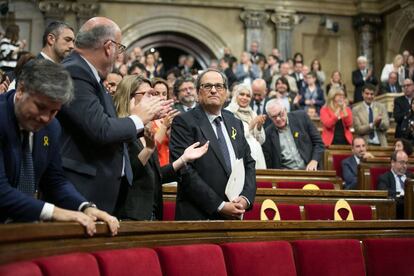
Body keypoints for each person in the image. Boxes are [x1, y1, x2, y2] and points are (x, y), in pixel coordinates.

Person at [57, 17, 171, 214]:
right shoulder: (75, 71)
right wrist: (137, 119)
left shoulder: (91, 75)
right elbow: (100, 130)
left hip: (99, 190)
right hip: (82, 190)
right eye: (119, 49)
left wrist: (139, 119)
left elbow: (107, 126)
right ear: (108, 47)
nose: (119, 56)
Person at [0, 59, 119, 235]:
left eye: (54, 111)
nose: (46, 118)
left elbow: (54, 180)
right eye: (40, 107)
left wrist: (84, 207)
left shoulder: (52, 127)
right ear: (21, 90)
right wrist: (55, 213)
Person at [113, 75, 208, 220]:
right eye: (147, 94)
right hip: (130, 216)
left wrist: (183, 159)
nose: (153, 99)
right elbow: (127, 176)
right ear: (129, 96)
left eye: (153, 94)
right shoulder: (120, 128)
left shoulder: (147, 128)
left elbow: (155, 175)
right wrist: (149, 149)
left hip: (153, 213)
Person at [170, 69, 256, 220]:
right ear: (198, 92)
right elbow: (185, 171)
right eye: (207, 86)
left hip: (234, 212)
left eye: (219, 86)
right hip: (198, 215)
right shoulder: (184, 122)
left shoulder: (234, 121)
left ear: (226, 93)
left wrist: (245, 199)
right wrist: (220, 205)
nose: (214, 90)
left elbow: (248, 163)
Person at [262, 99, 324, 170]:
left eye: (280, 114)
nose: (278, 118)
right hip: (286, 175)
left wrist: (314, 161)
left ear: (285, 110)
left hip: (310, 169)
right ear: (270, 117)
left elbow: (319, 143)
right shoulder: (268, 133)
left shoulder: (301, 117)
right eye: (274, 117)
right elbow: (269, 163)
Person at [226, 84, 267, 169]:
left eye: (248, 96)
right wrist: (251, 125)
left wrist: (259, 127)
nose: (244, 98)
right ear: (236, 95)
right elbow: (233, 138)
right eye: (241, 94)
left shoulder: (252, 113)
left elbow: (261, 140)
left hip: (257, 157)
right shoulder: (228, 112)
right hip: (240, 158)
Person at [151, 78, 180, 166]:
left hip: (172, 165)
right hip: (156, 167)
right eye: (157, 94)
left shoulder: (171, 115)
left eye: (164, 94)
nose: (161, 97)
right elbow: (150, 148)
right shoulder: (147, 118)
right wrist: (164, 126)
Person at [378, 150, 413, 219]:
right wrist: (402, 194)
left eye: (406, 163)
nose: (405, 166)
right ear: (393, 163)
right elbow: (384, 192)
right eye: (402, 163)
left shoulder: (411, 176)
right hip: (397, 209)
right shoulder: (384, 178)